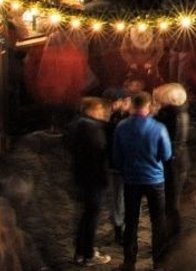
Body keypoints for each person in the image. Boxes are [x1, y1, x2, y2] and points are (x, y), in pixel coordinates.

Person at [110, 91, 173, 271]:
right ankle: (159, 262)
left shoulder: (121, 127)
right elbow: (166, 154)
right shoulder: (158, 128)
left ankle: (129, 262)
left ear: (132, 106)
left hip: (131, 180)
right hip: (155, 180)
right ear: (148, 106)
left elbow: (116, 156)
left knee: (131, 221)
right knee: (158, 221)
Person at [64, 96, 115, 267]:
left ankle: (80, 252)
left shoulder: (75, 125)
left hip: (81, 176)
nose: (103, 112)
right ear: (90, 110)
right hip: (93, 178)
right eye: (100, 109)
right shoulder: (92, 129)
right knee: (91, 216)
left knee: (84, 215)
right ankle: (88, 253)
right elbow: (100, 153)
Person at [152, 82, 192, 242]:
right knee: (171, 201)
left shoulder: (172, 116)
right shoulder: (175, 113)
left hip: (174, 164)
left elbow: (172, 143)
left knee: (171, 202)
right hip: (177, 162)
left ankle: (173, 235)